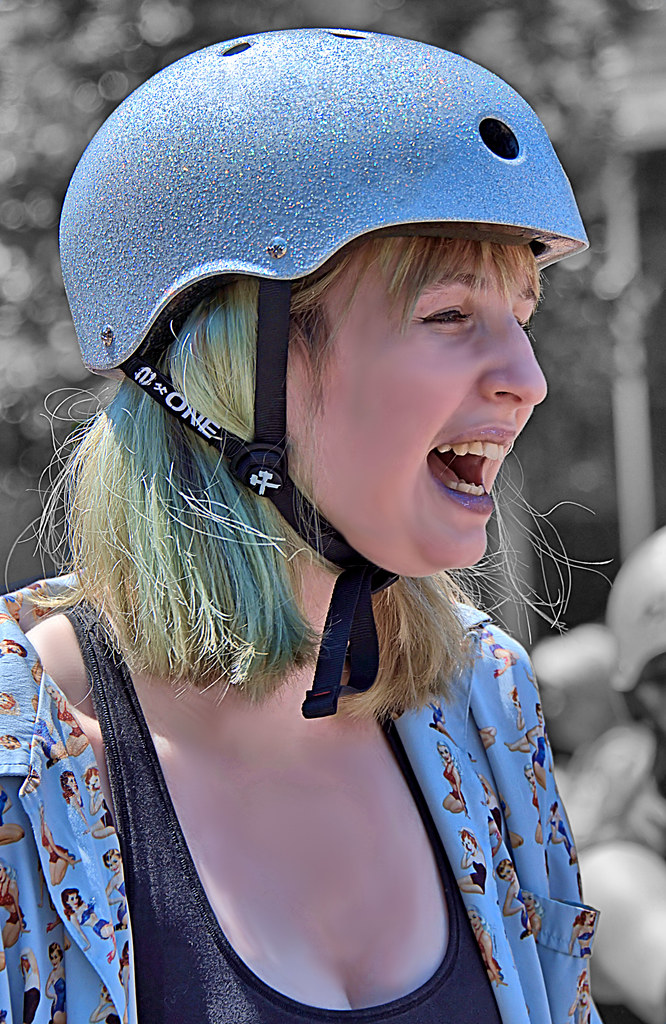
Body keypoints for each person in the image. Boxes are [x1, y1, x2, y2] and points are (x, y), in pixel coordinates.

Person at [0, 27, 601, 1024]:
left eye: (521, 318)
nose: (527, 380)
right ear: (235, 372)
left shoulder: (486, 704)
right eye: (450, 315)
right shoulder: (23, 761)